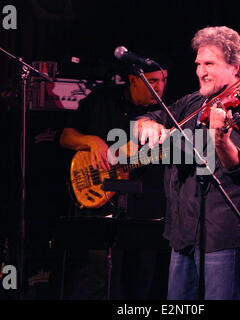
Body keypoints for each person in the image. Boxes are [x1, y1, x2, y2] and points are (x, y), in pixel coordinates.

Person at [133, 26, 240, 300]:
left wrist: (221, 142)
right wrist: (146, 126)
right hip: (184, 233)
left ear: (235, 68)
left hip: (225, 234)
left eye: (209, 64)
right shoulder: (194, 102)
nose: (200, 71)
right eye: (198, 64)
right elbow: (149, 117)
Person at [59, 54, 170, 300]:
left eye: (163, 80)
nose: (159, 87)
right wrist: (90, 140)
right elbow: (65, 137)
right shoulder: (101, 99)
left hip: (145, 207)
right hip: (100, 199)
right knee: (97, 275)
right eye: (152, 81)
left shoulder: (165, 113)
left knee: (141, 277)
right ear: (133, 80)